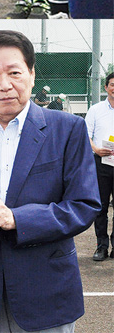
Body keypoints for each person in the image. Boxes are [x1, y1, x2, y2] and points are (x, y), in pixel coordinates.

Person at [0, 30, 100, 333]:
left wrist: (16, 218)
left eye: (14, 72)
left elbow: (84, 205)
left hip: (48, 294)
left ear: (32, 74)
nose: (5, 85)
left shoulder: (68, 129)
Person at [85, 71, 114, 261]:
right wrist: (95, 149)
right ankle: (101, 246)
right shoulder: (95, 110)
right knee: (100, 207)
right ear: (106, 87)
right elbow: (85, 135)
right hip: (101, 163)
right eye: (112, 84)